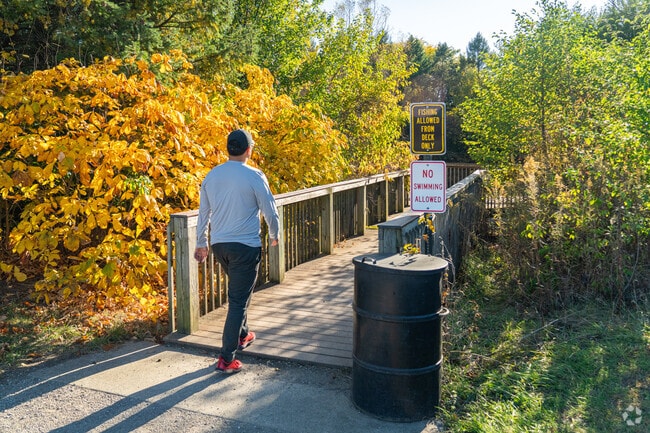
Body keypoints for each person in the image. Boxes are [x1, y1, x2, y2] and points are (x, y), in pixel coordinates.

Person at [194, 128, 280, 373]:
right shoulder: (254, 175)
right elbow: (270, 210)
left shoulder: (212, 176)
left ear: (228, 149)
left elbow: (204, 213)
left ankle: (243, 335)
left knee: (240, 295)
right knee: (238, 302)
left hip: (221, 246)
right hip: (245, 247)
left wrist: (202, 242)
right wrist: (275, 235)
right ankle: (226, 358)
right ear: (248, 150)